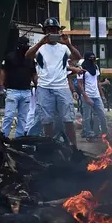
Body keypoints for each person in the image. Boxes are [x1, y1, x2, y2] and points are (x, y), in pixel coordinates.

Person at [25, 18, 81, 146]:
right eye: (49, 30)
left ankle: (73, 147)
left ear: (58, 31)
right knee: (47, 120)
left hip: (62, 87)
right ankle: (49, 147)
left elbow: (77, 57)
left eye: (54, 30)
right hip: (44, 87)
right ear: (45, 32)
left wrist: (68, 44)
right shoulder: (40, 48)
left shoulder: (63, 48)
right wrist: (40, 43)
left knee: (68, 118)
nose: (52, 32)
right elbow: (27, 56)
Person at [0, 36, 36, 139]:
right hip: (12, 90)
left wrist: (37, 86)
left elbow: (33, 74)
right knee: (9, 116)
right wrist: (1, 86)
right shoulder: (10, 57)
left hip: (26, 91)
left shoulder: (30, 59)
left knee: (23, 117)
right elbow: (3, 71)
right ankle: (4, 137)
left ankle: (18, 139)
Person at [78, 52, 109, 142]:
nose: (92, 59)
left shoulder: (95, 67)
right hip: (86, 95)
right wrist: (85, 96)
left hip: (96, 95)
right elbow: (80, 84)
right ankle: (88, 133)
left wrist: (102, 95)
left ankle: (103, 132)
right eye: (90, 58)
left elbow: (97, 82)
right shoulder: (81, 69)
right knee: (87, 117)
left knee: (101, 115)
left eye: (93, 58)